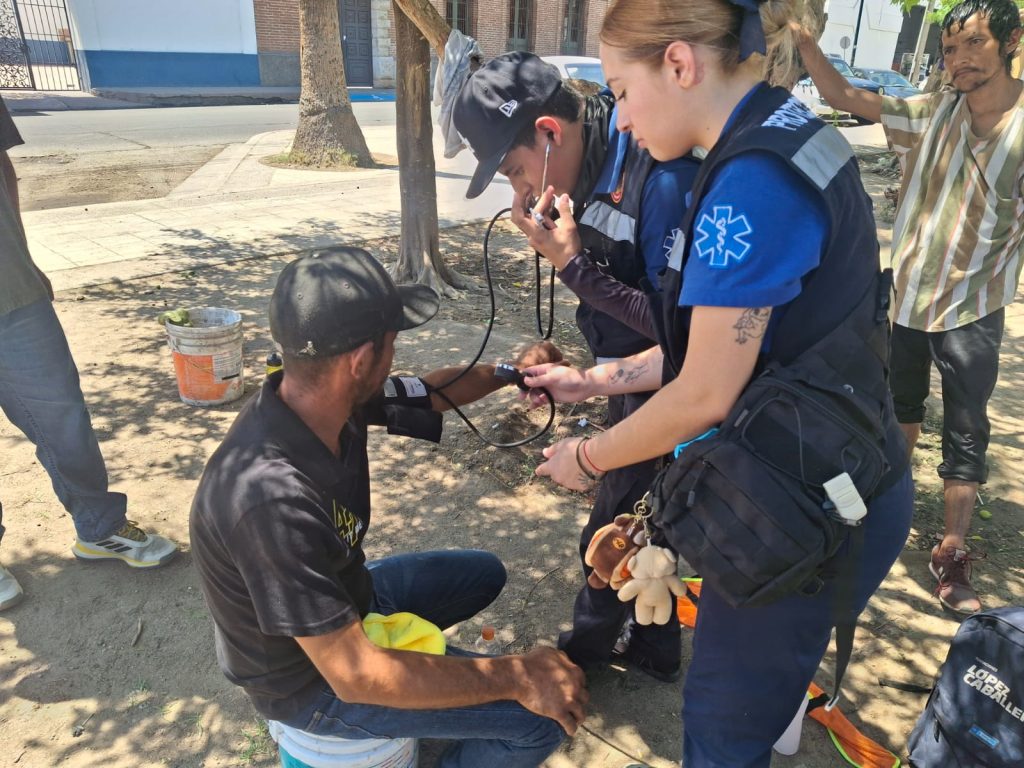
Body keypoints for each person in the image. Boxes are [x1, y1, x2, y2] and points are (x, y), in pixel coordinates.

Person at [518, 0, 914, 763]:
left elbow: (704, 393)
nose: (621, 119)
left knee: (723, 723)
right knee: (745, 705)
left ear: (679, 64)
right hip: (829, 477)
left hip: (813, 514)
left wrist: (587, 457)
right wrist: (591, 381)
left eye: (622, 92)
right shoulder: (782, 134)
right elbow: (717, 352)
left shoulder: (753, 184)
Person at [189, 247, 587, 768]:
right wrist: (516, 675)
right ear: (359, 361)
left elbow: (432, 393)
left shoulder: (323, 395)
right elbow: (354, 674)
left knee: (481, 575)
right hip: (309, 684)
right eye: (393, 342)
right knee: (541, 719)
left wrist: (512, 372)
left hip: (351, 598)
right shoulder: (267, 502)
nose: (396, 354)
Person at [453, 51, 700, 681]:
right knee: (646, 523)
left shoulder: (659, 179)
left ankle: (579, 663)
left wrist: (571, 266)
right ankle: (654, 649)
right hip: (636, 375)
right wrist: (581, 373)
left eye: (514, 171)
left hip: (682, 386)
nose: (520, 192)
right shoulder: (582, 170)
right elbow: (620, 299)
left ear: (549, 132)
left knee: (611, 532)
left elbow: (682, 332)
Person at [794, 0, 1024, 615]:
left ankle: (952, 550)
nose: (959, 59)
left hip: (974, 306)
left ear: (1010, 42)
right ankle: (884, 511)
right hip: (908, 298)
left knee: (967, 429)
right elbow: (845, 96)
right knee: (896, 409)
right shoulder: (932, 112)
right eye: (950, 49)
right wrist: (806, 42)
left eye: (975, 44)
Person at [0, 96, 176, 611]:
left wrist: (23, 256)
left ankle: (99, 528)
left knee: (65, 420)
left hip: (12, 291)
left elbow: (2, 168)